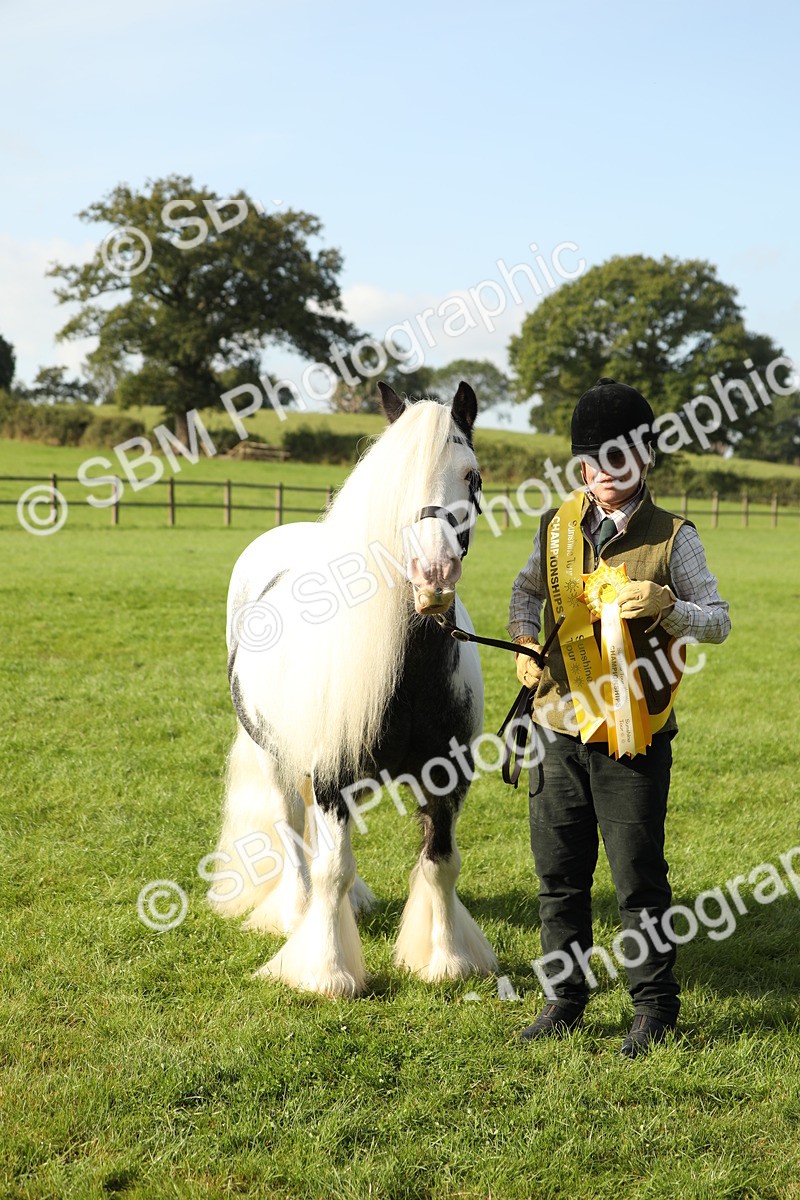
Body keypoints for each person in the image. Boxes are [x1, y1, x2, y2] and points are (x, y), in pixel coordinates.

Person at [508, 378, 731, 1058]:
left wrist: (669, 605)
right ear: (581, 465)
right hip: (556, 728)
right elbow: (524, 593)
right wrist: (524, 642)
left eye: (620, 457)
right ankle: (564, 999)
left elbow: (719, 621)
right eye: (593, 459)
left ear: (645, 459)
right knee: (558, 877)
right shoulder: (557, 527)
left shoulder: (675, 537)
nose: (605, 472)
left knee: (638, 879)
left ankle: (654, 1008)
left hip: (634, 735)